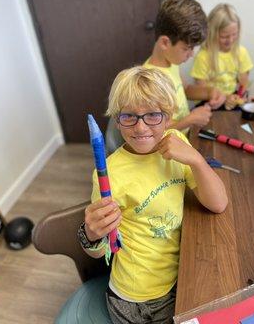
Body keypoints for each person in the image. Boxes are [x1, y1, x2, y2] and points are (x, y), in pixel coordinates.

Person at [78, 66, 228, 324]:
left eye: (153, 115)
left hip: (179, 276)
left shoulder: (177, 141)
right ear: (117, 117)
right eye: (129, 116)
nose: (140, 127)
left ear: (168, 116)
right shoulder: (110, 173)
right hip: (135, 300)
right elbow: (102, 251)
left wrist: (196, 160)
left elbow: (218, 203)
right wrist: (91, 235)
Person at [143, 0, 226, 133]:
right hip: (169, 149)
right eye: (187, 48)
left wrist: (210, 92)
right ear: (165, 42)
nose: (192, 54)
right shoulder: (149, 80)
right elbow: (153, 129)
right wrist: (190, 119)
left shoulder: (171, 62)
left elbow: (185, 90)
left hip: (185, 137)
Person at [190, 3, 254, 110]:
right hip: (211, 100)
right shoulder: (203, 57)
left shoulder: (241, 52)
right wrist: (224, 98)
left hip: (233, 98)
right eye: (224, 36)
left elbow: (244, 83)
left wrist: (241, 96)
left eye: (234, 34)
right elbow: (201, 88)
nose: (230, 40)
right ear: (212, 33)